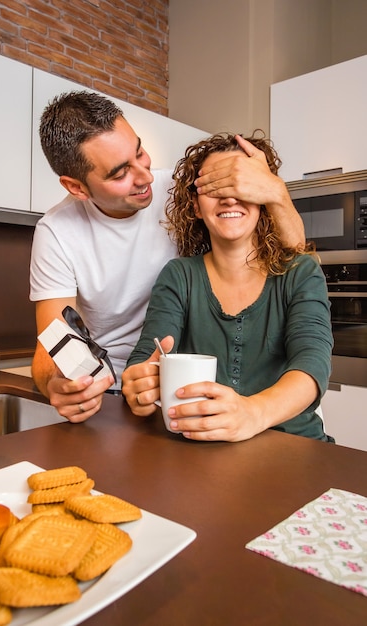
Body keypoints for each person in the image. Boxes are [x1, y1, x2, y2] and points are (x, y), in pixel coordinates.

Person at [30, 91, 305, 423]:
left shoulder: (178, 192)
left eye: (139, 152)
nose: (145, 176)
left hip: (184, 381)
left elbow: (292, 257)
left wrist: (274, 190)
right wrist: (58, 384)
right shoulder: (57, 233)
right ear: (77, 188)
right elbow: (54, 341)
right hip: (112, 390)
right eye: (120, 174)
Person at [122, 131, 334, 442]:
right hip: (200, 452)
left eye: (240, 185)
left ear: (262, 198)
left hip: (296, 448)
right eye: (213, 187)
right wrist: (138, 385)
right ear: (195, 207)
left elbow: (312, 364)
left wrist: (253, 412)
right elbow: (146, 356)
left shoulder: (300, 272)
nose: (229, 197)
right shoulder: (179, 276)